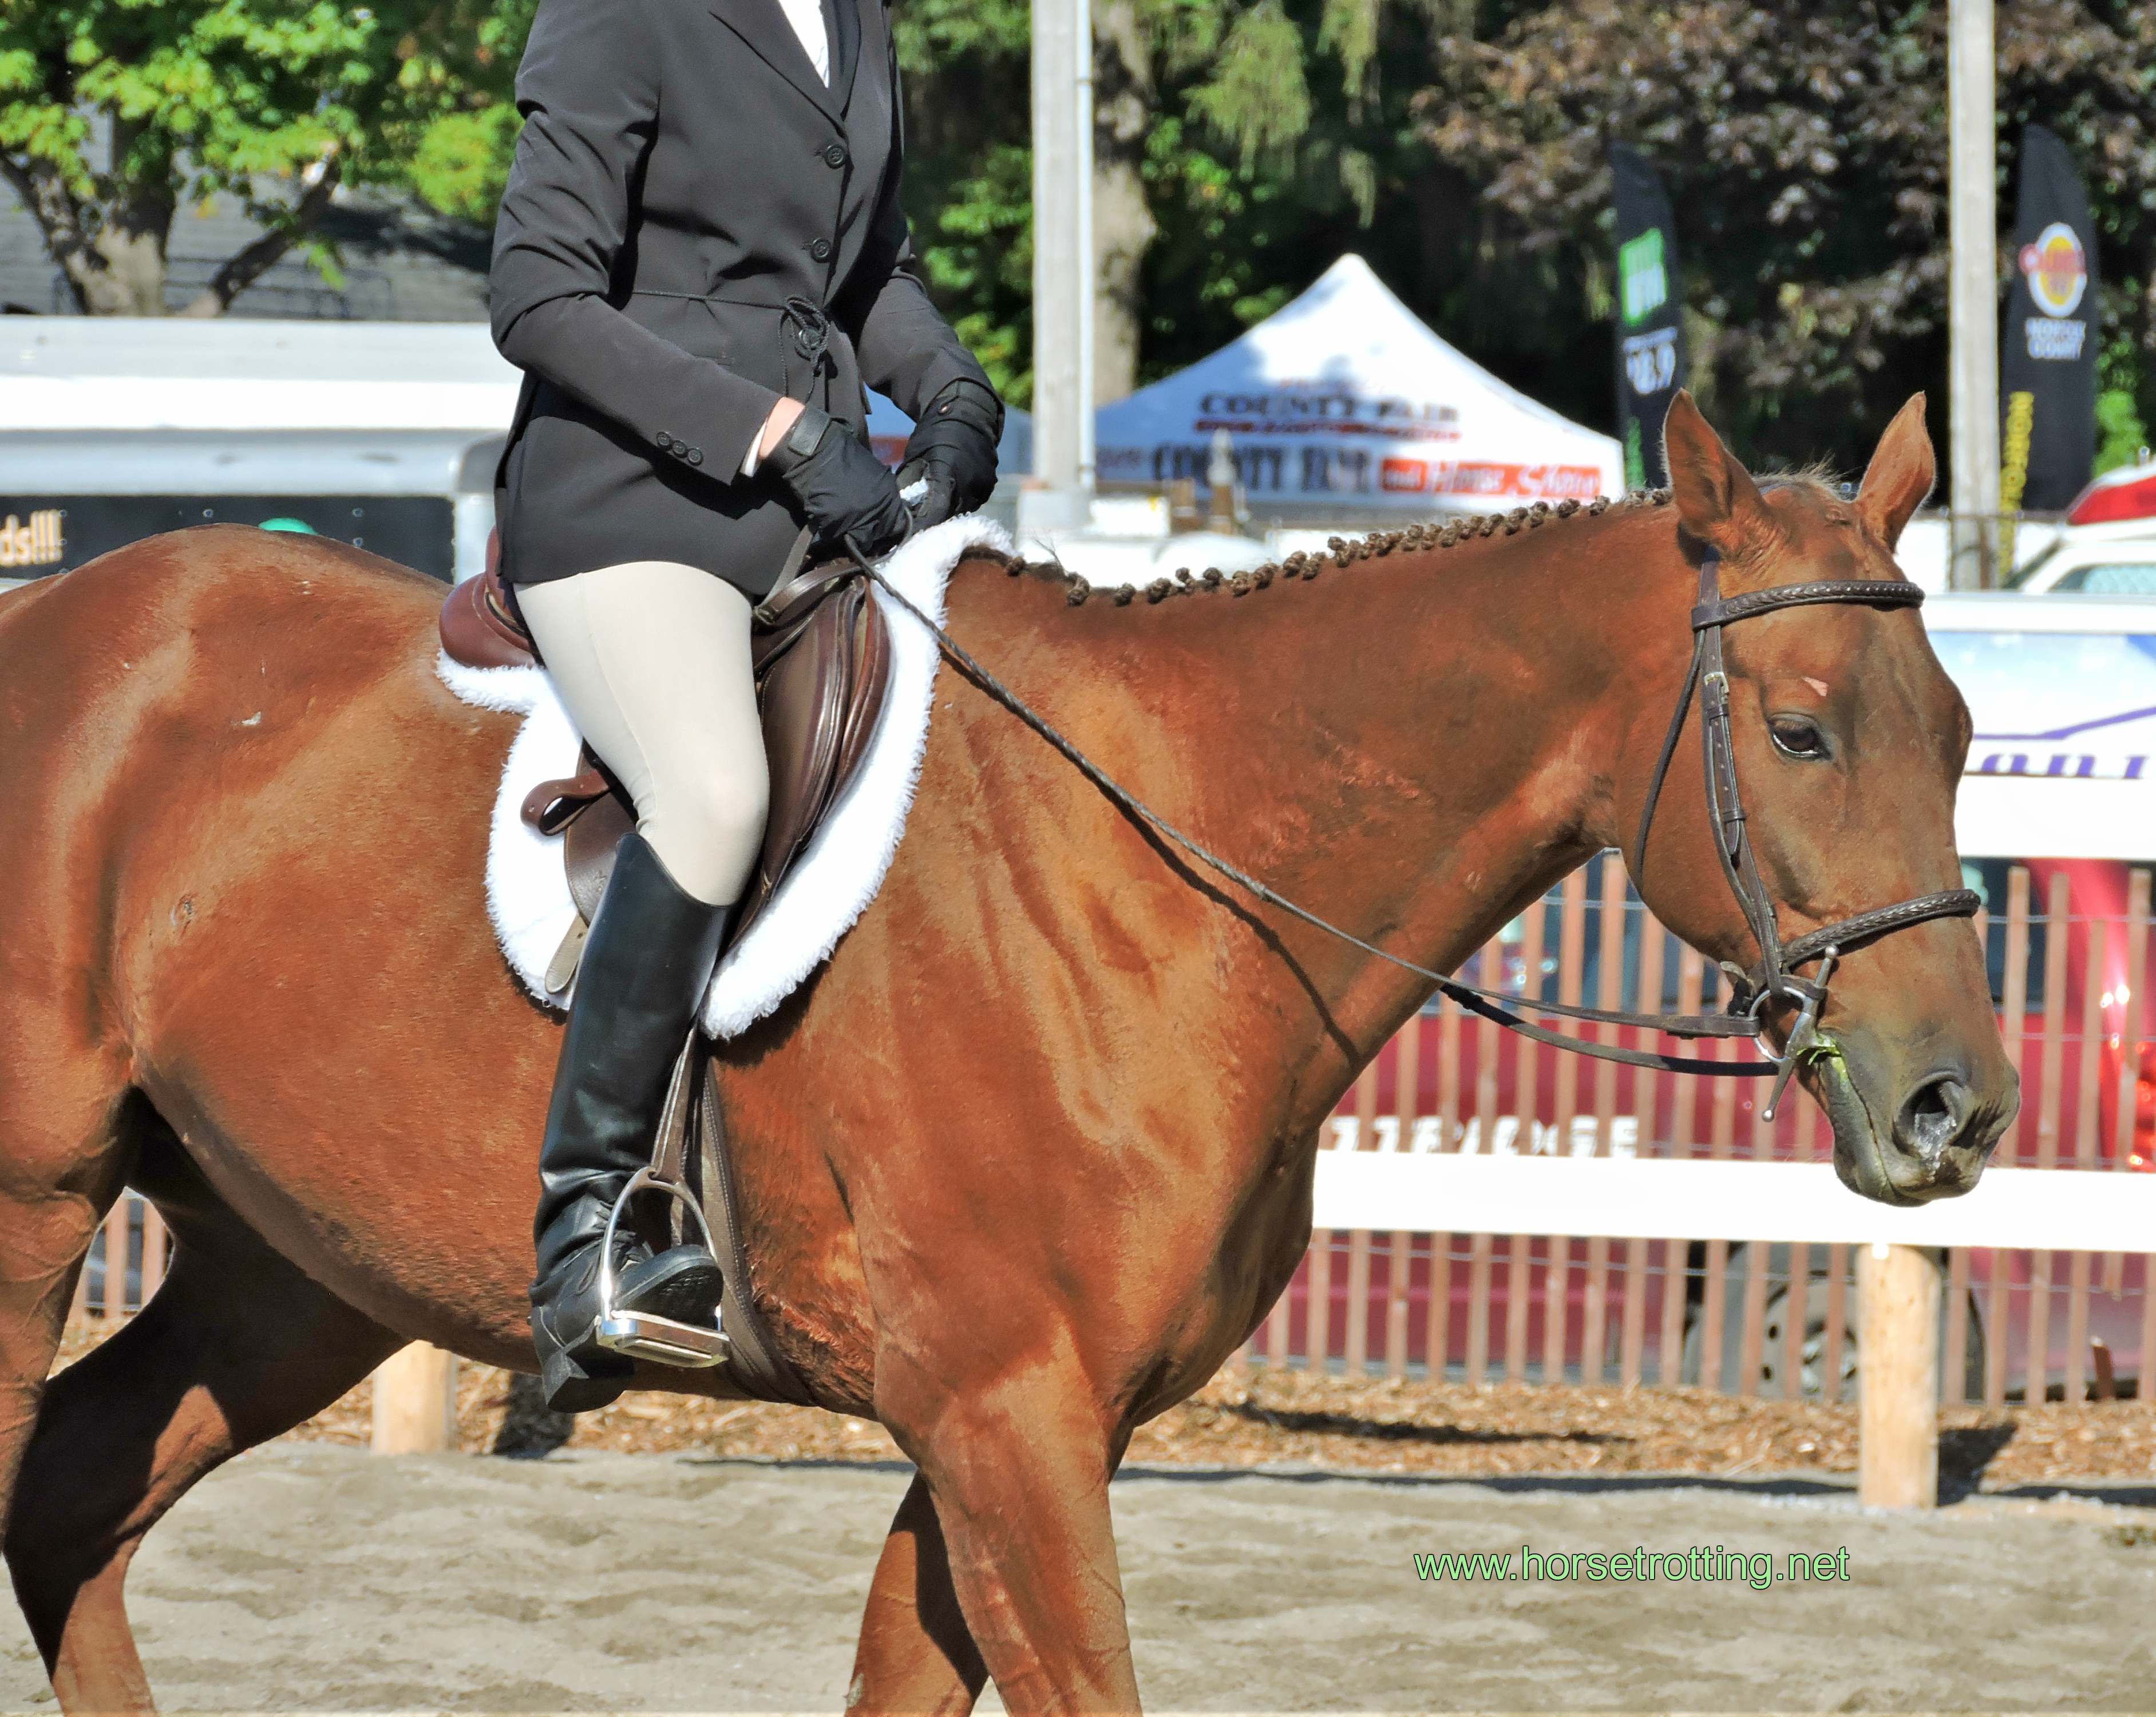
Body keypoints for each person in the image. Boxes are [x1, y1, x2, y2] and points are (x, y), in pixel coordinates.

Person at [488, 0, 1003, 1411]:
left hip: (812, 507)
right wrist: (773, 430)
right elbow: (537, 294)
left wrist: (950, 389)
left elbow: (860, 270)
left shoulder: (856, 17)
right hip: (630, 505)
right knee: (713, 796)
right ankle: (588, 1235)